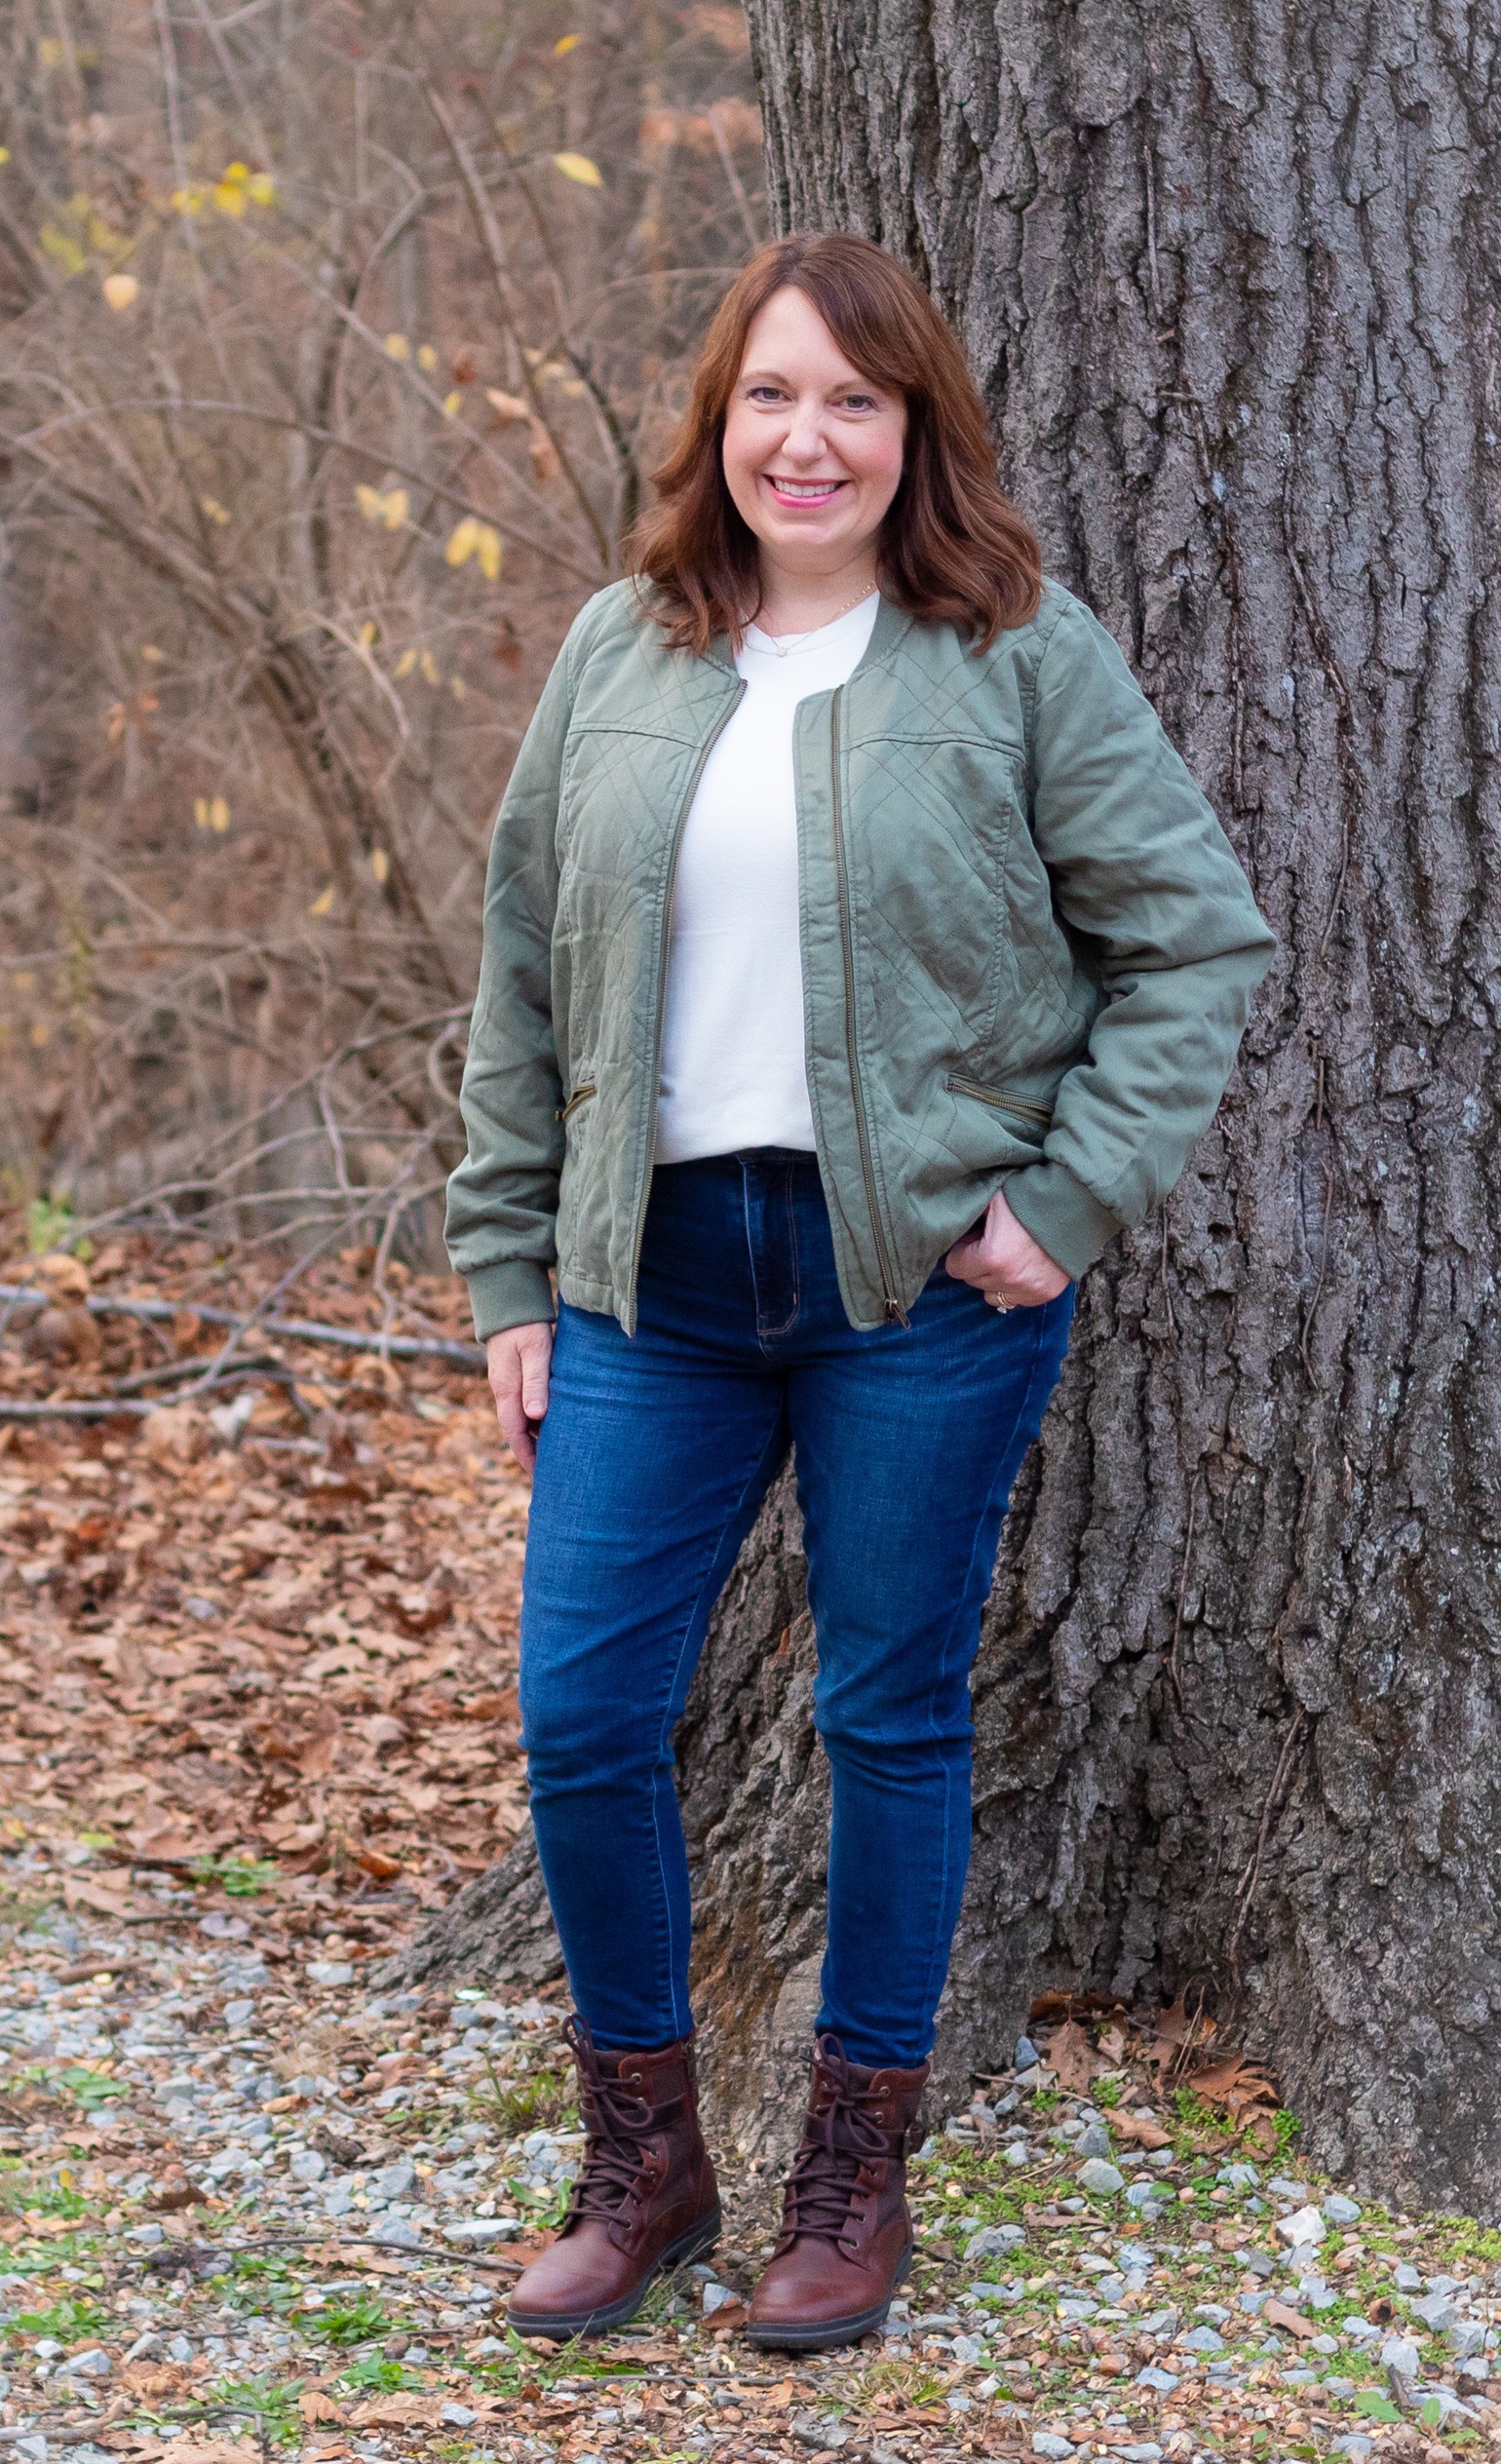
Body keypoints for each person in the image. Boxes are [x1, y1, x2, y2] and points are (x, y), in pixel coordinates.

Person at [445, 233, 1274, 2351]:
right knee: (581, 1717)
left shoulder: (1011, 653)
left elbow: (1191, 940)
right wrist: (504, 1255)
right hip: (646, 1280)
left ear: (913, 435)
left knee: (882, 1714)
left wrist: (1065, 1198)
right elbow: (526, 978)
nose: (801, 441)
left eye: (850, 403)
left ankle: (849, 2180)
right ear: (714, 424)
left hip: (915, 1282)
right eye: (766, 399)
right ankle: (642, 2156)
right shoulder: (618, 655)